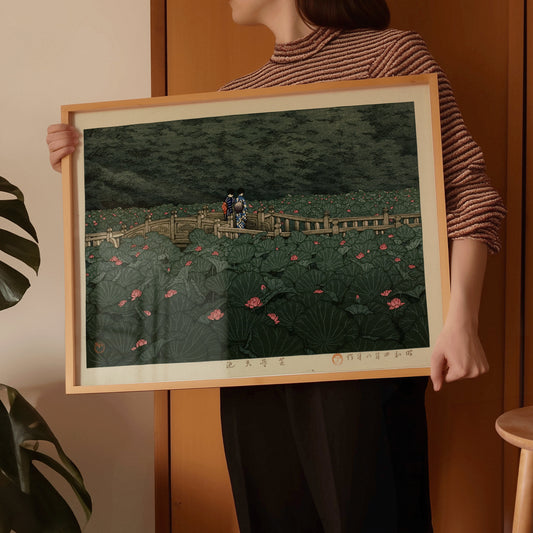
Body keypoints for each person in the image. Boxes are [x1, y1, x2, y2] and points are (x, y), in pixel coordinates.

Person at [47, 1, 505, 531]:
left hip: (363, 354)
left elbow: (469, 192)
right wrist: (94, 157)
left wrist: (461, 321)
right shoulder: (234, 100)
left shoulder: (390, 55)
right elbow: (220, 215)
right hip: (251, 356)